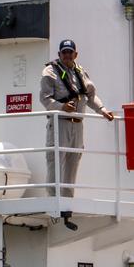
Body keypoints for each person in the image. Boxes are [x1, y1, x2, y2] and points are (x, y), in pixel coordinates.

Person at [39, 39, 114, 228]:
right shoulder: (50, 72)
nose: (67, 55)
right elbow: (45, 98)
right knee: (56, 160)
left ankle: (67, 205)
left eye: (70, 52)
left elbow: (90, 96)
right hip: (60, 123)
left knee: (73, 162)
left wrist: (102, 110)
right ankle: (53, 202)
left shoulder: (80, 71)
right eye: (64, 52)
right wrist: (62, 106)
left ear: (75, 54)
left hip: (78, 124)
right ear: (59, 54)